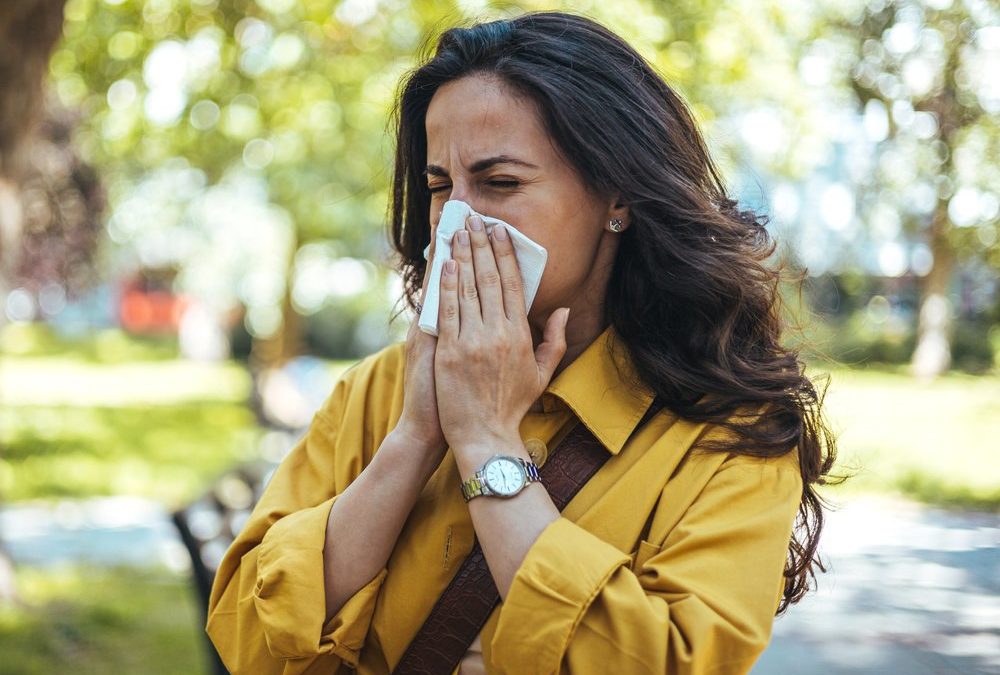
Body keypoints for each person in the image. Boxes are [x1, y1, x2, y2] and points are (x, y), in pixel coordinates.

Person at [206, 10, 837, 675]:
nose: (457, 218)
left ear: (616, 196)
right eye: (439, 185)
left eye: (500, 183)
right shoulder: (379, 389)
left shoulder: (729, 434)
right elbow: (245, 637)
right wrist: (416, 437)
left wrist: (486, 442)